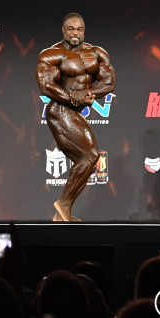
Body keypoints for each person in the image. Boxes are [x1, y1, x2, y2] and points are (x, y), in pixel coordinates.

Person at [35, 13, 115, 222]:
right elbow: (46, 86)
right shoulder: (52, 54)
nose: (75, 33)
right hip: (59, 110)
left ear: (84, 31)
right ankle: (63, 204)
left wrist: (89, 93)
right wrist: (72, 97)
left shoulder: (96, 53)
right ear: (63, 30)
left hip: (73, 111)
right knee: (90, 155)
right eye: (70, 29)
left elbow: (108, 82)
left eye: (79, 29)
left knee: (86, 160)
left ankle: (62, 213)